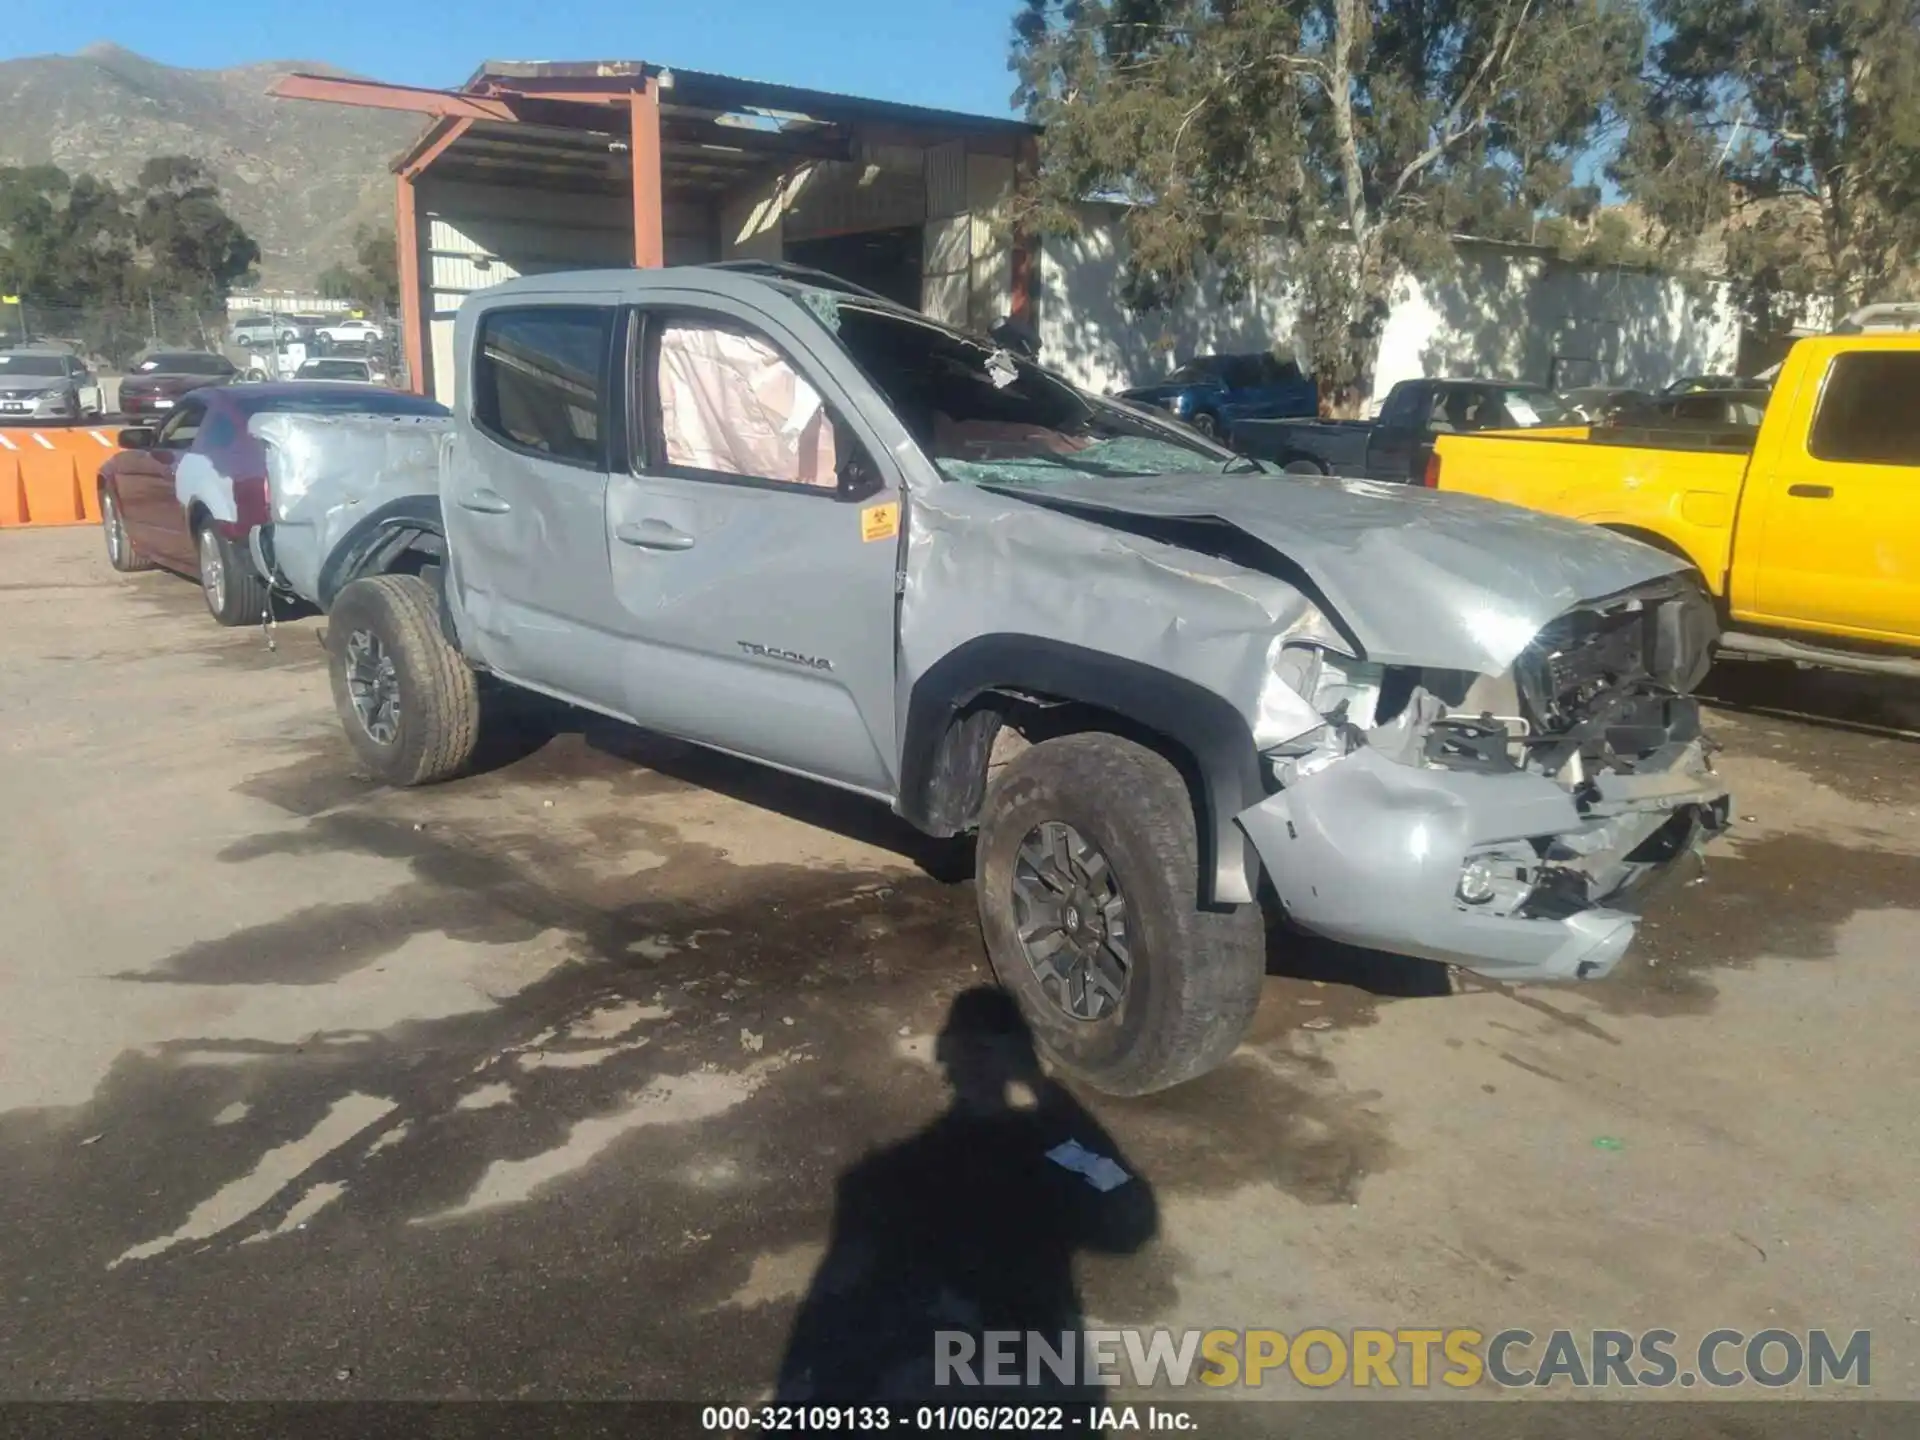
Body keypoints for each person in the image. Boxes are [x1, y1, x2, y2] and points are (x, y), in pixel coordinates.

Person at [776, 987, 1157, 1404]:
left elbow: (1131, 1218)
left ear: (942, 1056)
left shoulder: (883, 1178)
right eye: (977, 1049)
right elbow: (1128, 1214)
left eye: (987, 1050)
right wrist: (1046, 1093)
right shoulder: (1055, 1152)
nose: (981, 1063)